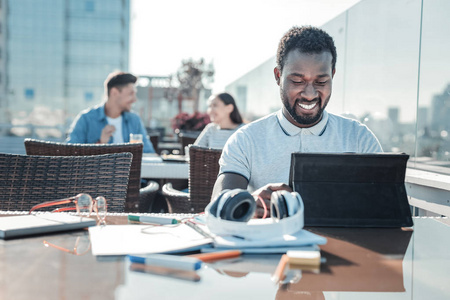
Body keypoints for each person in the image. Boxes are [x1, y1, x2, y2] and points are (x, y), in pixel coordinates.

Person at [211, 26, 382, 216]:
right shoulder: (246, 139)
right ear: (278, 76)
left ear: (332, 75)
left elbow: (386, 209)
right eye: (298, 81)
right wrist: (248, 203)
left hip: (342, 245)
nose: (309, 94)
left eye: (321, 82)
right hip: (271, 244)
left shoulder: (360, 138)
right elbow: (219, 204)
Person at [66, 71, 155, 153]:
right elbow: (69, 153)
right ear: (114, 92)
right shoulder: (86, 119)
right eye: (131, 94)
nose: (135, 99)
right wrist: (100, 144)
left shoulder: (134, 120)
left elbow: (149, 153)